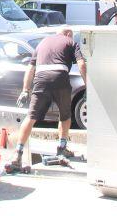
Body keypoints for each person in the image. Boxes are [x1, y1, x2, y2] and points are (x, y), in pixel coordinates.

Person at [12, 27, 86, 166]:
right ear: (68, 34)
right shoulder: (71, 42)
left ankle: (18, 154)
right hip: (60, 79)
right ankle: (62, 148)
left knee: (31, 117)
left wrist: (25, 90)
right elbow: (81, 64)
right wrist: (88, 85)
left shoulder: (42, 43)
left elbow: (30, 68)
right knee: (65, 115)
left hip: (41, 79)